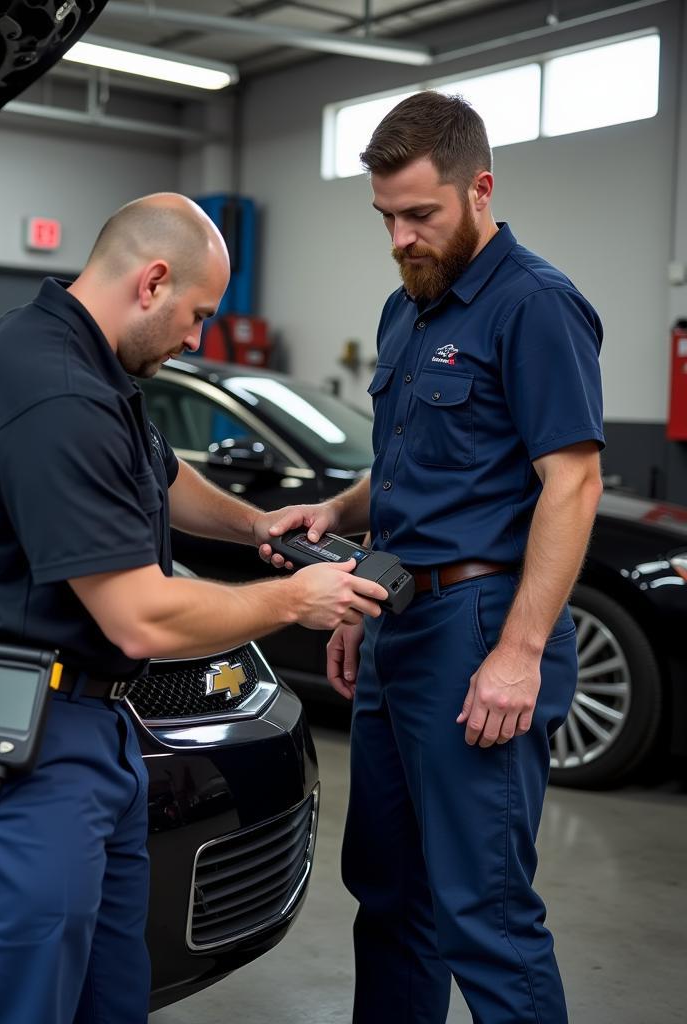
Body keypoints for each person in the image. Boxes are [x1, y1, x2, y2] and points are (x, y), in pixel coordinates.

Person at [0, 192, 388, 1024]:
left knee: (109, 993)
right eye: (197, 315)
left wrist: (255, 524)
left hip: (90, 730)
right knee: (17, 1005)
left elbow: (156, 474)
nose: (197, 338)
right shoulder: (51, 388)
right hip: (20, 740)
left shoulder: (87, 363)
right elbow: (140, 617)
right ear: (153, 281)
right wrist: (293, 598)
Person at [265, 93, 604, 1022]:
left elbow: (572, 485)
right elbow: (410, 469)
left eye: (422, 214)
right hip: (399, 624)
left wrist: (521, 653)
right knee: (388, 896)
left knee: (484, 915)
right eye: (387, 218)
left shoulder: (535, 305)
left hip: (480, 631)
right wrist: (339, 523)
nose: (401, 238)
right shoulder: (404, 312)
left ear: (480, 189)